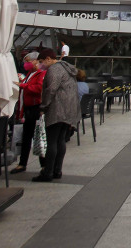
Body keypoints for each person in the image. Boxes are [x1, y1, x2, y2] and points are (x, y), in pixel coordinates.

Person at [33, 48, 79, 183]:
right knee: (60, 140)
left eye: (42, 62)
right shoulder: (67, 68)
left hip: (57, 109)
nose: (41, 65)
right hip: (69, 109)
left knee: (52, 140)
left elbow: (51, 89)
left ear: (48, 59)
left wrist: (43, 106)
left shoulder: (54, 69)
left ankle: (48, 172)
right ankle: (57, 170)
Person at [10, 51, 45, 175]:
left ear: (36, 61)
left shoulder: (41, 73)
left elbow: (39, 88)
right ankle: (22, 163)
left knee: (38, 138)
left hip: (35, 109)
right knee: (26, 137)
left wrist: (23, 85)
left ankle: (44, 165)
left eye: (28, 61)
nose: (26, 64)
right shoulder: (31, 73)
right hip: (28, 108)